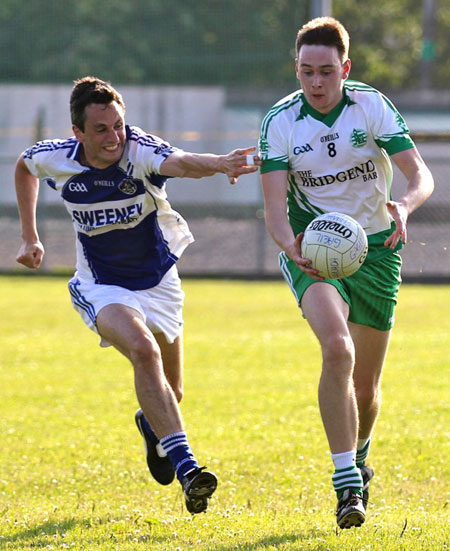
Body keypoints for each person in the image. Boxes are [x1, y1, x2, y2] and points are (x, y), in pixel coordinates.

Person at [15, 76, 260, 515]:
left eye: (119, 125)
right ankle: (189, 472)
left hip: (159, 282)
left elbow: (183, 162)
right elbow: (24, 167)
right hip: (102, 285)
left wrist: (221, 163)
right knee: (144, 352)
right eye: (101, 130)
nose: (114, 138)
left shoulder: (138, 151)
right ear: (78, 133)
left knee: (173, 393)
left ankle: (152, 427)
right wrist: (30, 236)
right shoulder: (56, 158)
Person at [259, 17, 434, 529]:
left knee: (366, 388)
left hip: (378, 250)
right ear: (296, 69)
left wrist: (403, 205)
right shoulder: (280, 121)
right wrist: (290, 245)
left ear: (345, 69)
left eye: (326, 72)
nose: (316, 82)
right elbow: (273, 208)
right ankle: (346, 486)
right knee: (337, 347)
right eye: (306, 72)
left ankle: (359, 457)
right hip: (312, 250)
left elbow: (420, 175)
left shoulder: (370, 106)